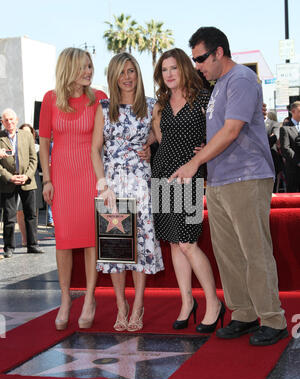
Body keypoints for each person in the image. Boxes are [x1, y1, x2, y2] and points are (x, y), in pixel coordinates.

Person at [169, 27, 288, 346]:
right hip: (220, 180)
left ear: (219, 51)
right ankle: (244, 314)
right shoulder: (219, 85)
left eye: (201, 58)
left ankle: (273, 319)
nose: (197, 66)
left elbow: (233, 130)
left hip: (247, 177)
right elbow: (223, 132)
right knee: (229, 254)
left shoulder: (241, 80)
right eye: (194, 60)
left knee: (254, 251)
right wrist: (204, 152)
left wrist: (195, 163)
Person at [150, 48, 224, 333]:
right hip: (162, 177)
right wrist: (147, 145)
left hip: (189, 178)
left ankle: (213, 303)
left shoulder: (204, 98)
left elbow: (220, 132)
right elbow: (159, 138)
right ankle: (186, 303)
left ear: (183, 68)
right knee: (173, 242)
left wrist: (207, 146)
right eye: (164, 70)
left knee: (188, 242)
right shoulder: (160, 104)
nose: (169, 74)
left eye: (173, 68)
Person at [91, 52, 164, 332]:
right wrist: (103, 184)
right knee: (116, 248)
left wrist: (149, 144)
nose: (127, 77)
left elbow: (160, 135)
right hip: (112, 187)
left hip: (140, 185)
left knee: (140, 247)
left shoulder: (150, 105)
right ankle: (120, 305)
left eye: (131, 71)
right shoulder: (103, 108)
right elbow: (94, 149)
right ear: (113, 77)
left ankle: (138, 306)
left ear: (138, 74)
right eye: (121, 72)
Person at [39, 47, 107, 331]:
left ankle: (90, 298)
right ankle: (65, 299)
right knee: (64, 241)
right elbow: (43, 141)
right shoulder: (51, 99)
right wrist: (47, 179)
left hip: (90, 176)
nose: (88, 72)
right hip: (62, 178)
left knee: (91, 239)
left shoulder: (99, 99)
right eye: (83, 67)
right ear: (69, 69)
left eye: (90, 66)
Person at [0, 109, 44, 258]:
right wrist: (10, 177)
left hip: (27, 181)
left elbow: (34, 159)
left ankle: (33, 245)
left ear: (17, 119)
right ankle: (9, 247)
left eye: (11, 119)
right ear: (2, 122)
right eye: (6, 120)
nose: (9, 122)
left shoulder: (26, 136)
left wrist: (27, 176)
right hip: (8, 182)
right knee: (9, 216)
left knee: (31, 214)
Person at [17, 123, 44, 246]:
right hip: (19, 180)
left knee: (33, 211)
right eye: (23, 132)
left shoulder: (38, 147)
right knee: (20, 210)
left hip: (34, 180)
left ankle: (33, 237)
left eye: (29, 132)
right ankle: (24, 238)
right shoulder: (15, 146)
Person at [279, 101, 300, 192]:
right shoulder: (285, 128)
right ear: (293, 111)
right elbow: (285, 148)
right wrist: (298, 162)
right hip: (293, 170)